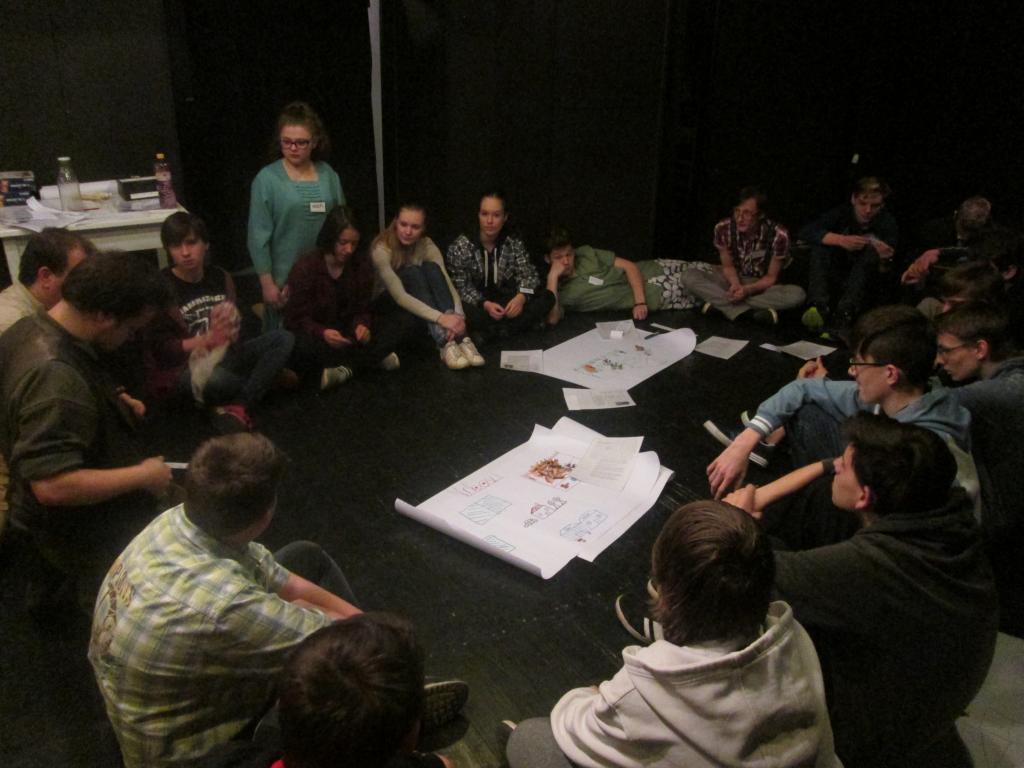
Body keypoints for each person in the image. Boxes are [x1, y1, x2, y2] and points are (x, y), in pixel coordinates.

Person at [724, 414, 998, 767]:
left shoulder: (873, 566)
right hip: (934, 681)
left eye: (844, 464)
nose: (836, 464)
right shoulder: (946, 511)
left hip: (875, 730)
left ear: (865, 496)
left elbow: (752, 573)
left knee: (740, 578)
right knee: (817, 503)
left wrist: (737, 520)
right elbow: (830, 474)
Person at [89, 433, 363, 768]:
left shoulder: (179, 520)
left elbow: (285, 581)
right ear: (266, 515)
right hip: (190, 757)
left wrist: (351, 620)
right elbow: (346, 643)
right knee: (342, 678)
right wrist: (380, 646)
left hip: (150, 713)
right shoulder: (225, 602)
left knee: (305, 557)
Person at [507, 501, 840, 768]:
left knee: (529, 739)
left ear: (665, 594)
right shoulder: (795, 637)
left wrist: (595, 695)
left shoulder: (645, 687)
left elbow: (571, 724)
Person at [0, 252, 172, 609]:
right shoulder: (54, 377)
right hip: (76, 535)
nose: (129, 337)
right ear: (104, 316)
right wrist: (144, 475)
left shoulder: (29, 328)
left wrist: (109, 396)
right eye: (130, 329)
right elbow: (52, 486)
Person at [704, 305, 971, 499]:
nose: (852, 371)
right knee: (808, 407)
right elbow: (803, 387)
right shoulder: (903, 394)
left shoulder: (921, 450)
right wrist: (745, 441)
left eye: (859, 363)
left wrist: (758, 498)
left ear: (891, 373)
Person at [145, 212, 295, 431]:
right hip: (191, 365)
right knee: (213, 379)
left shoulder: (220, 276)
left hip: (227, 354)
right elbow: (162, 349)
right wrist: (206, 340)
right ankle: (261, 383)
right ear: (168, 249)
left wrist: (233, 326)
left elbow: (241, 329)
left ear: (205, 244)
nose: (185, 252)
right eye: (176, 246)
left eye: (191, 243)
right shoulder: (162, 286)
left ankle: (239, 404)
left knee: (283, 338)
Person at [934, 302, 1024, 635]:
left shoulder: (1002, 393)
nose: (940, 360)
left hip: (1008, 530)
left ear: (980, 349)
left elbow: (923, 403)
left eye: (946, 350)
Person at [284, 205, 404, 390]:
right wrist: (322, 332)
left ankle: (347, 369)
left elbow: (363, 308)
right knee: (299, 347)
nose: (348, 249)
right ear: (331, 238)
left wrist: (361, 325)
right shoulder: (306, 267)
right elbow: (295, 318)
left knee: (397, 319)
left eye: (354, 244)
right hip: (320, 336)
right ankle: (370, 359)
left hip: (348, 332)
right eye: (343, 242)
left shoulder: (360, 265)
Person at [248, 101, 345, 330]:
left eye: (301, 142)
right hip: (285, 281)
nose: (293, 148)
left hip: (325, 276)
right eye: (287, 142)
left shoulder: (328, 175)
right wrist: (267, 284)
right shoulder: (267, 179)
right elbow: (257, 237)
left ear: (315, 142)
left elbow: (342, 225)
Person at [371, 203, 483, 370]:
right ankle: (444, 342)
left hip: (419, 296)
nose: (408, 231)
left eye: (415, 227)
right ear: (395, 223)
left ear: (423, 228)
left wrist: (458, 318)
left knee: (432, 268)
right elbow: (400, 296)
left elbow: (445, 281)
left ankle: (461, 338)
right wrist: (442, 319)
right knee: (412, 272)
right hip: (388, 301)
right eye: (403, 224)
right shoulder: (382, 248)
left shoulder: (427, 245)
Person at [681, 186, 805, 324]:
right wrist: (735, 284)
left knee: (797, 294)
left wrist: (747, 290)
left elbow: (771, 277)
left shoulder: (779, 234)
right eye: (737, 211)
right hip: (730, 281)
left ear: (760, 215)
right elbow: (727, 267)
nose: (740, 218)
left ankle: (721, 306)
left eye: (747, 213)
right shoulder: (723, 228)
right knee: (689, 276)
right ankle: (746, 313)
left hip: (760, 286)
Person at [445, 191, 554, 341]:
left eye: (496, 215)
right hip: (480, 305)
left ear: (505, 217)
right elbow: (461, 287)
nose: (489, 221)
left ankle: (496, 332)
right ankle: (511, 328)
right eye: (484, 214)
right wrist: (485, 304)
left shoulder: (513, 242)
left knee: (547, 297)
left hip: (507, 301)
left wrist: (522, 297)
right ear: (478, 215)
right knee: (462, 310)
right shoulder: (460, 247)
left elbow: (529, 277)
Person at [543, 227, 707, 325]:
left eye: (569, 254)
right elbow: (552, 319)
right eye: (558, 257)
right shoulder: (558, 292)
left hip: (653, 269)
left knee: (706, 269)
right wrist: (552, 277)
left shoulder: (586, 253)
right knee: (703, 289)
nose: (566, 261)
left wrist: (639, 302)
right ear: (548, 259)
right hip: (658, 293)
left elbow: (629, 266)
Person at [799, 176, 898, 333]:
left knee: (869, 254)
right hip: (836, 270)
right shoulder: (842, 213)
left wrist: (885, 259)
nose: (868, 210)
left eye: (875, 206)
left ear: (882, 205)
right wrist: (841, 240)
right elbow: (807, 231)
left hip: (864, 280)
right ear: (853, 199)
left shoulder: (887, 223)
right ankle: (818, 306)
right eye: (863, 204)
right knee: (821, 247)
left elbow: (888, 270)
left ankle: (845, 313)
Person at [0, 227, 92, 333]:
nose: (85, 284)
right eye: (77, 275)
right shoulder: (12, 324)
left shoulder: (42, 307)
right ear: (46, 276)